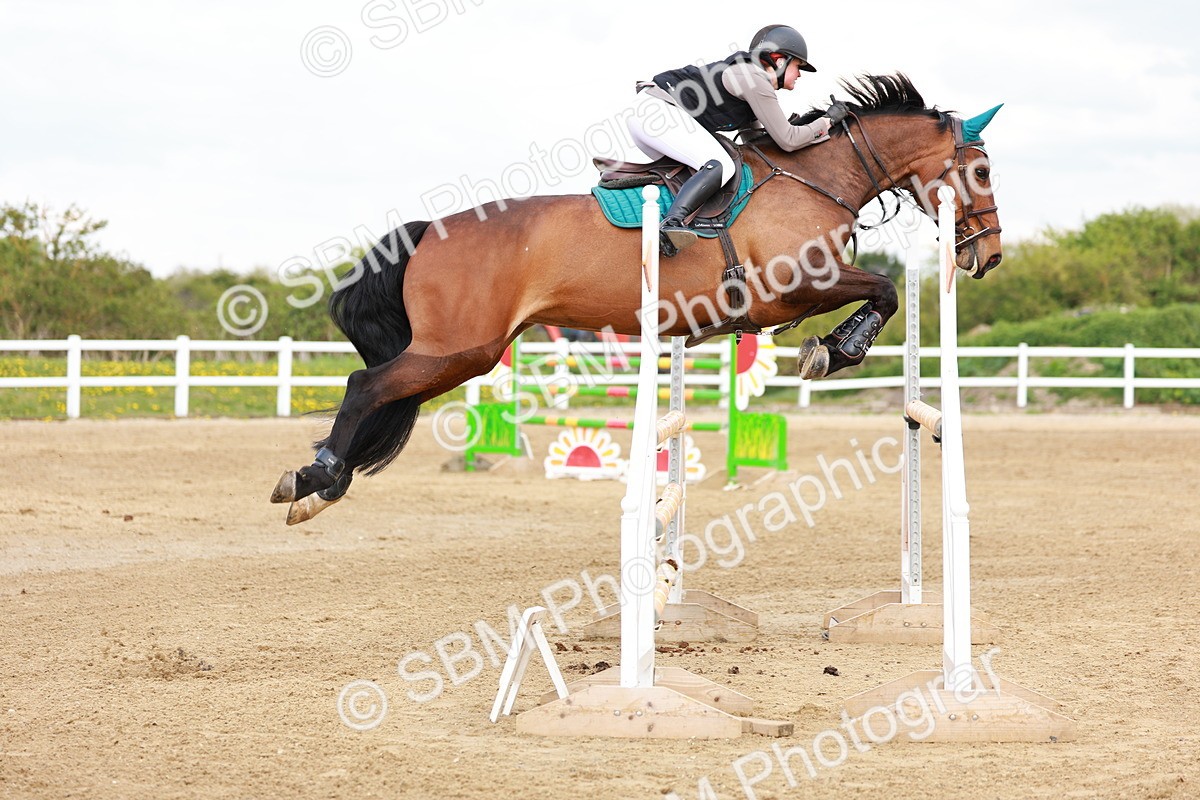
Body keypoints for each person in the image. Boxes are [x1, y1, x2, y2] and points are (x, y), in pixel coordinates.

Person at [626, 24, 834, 254]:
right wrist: (826, 123)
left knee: (705, 174)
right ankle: (671, 224)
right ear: (779, 60)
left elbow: (756, 143)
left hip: (651, 117)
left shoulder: (751, 80)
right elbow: (788, 140)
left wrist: (801, 131)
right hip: (657, 114)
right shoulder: (754, 78)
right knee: (721, 165)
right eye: (798, 66)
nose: (800, 74)